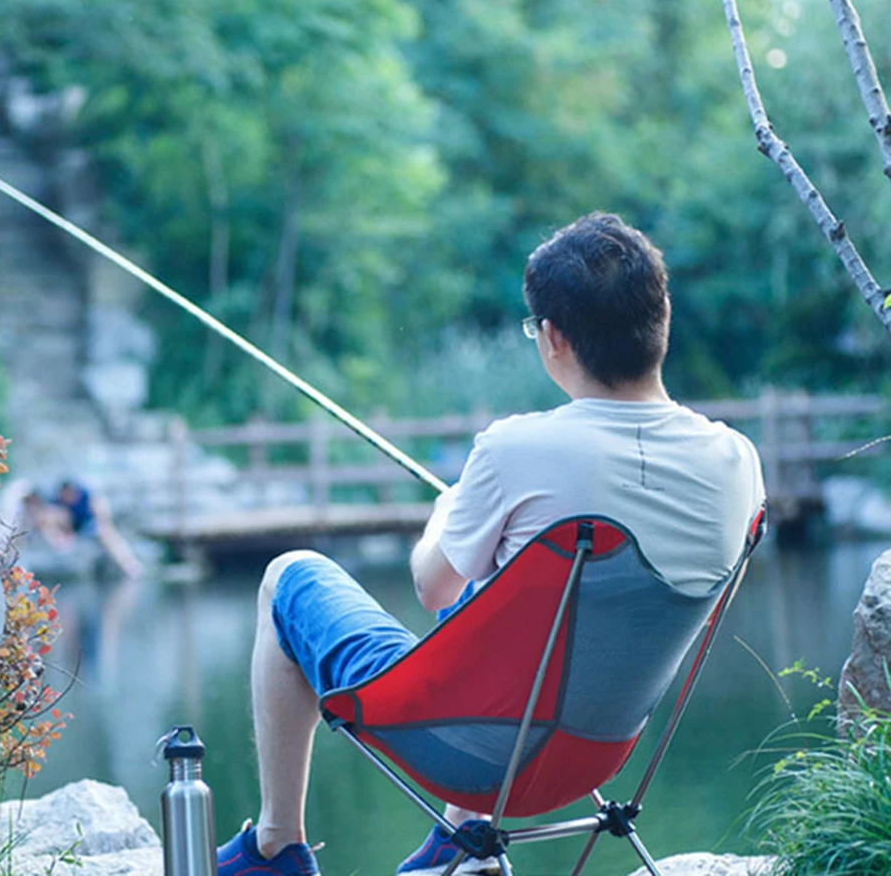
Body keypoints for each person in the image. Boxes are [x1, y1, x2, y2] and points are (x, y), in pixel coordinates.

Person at [214, 212, 765, 876]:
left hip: (472, 757)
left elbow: (433, 585)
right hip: (599, 750)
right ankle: (461, 837)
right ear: (662, 318)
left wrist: (448, 514)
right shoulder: (737, 460)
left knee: (287, 574)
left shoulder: (514, 447)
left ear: (553, 337)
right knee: (517, 587)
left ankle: (277, 843)